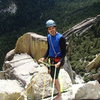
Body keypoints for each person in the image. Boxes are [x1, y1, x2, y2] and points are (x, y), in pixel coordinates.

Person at [38, 19, 66, 99]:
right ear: (48, 30)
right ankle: (56, 88)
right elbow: (49, 48)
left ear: (55, 27)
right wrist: (44, 57)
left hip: (58, 60)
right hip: (51, 60)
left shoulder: (61, 38)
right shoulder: (49, 37)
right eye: (49, 29)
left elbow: (64, 53)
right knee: (51, 74)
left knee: (55, 77)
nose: (51, 30)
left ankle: (59, 95)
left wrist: (59, 62)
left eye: (52, 28)